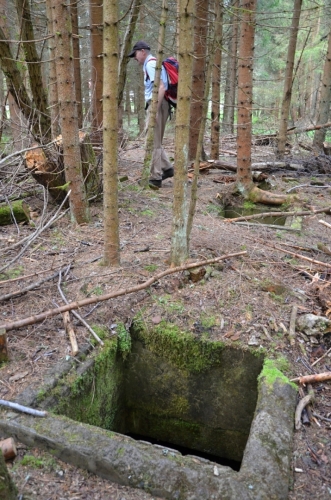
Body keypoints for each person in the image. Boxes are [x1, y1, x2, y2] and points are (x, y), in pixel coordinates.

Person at [128, 40, 174, 189]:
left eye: (135, 55)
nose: (135, 58)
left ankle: (155, 178)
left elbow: (161, 87)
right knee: (155, 140)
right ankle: (167, 168)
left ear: (142, 51)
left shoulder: (150, 63)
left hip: (158, 105)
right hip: (160, 105)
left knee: (152, 141)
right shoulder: (152, 64)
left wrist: (154, 108)